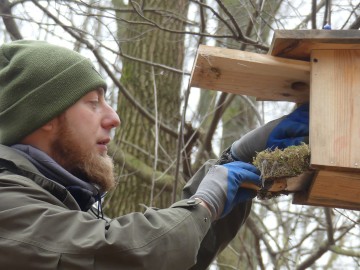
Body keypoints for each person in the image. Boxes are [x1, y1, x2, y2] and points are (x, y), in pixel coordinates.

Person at [0, 40, 309, 270]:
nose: (113, 118)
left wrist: (236, 158)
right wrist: (205, 203)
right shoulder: (8, 205)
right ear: (44, 118)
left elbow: (165, 261)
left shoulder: (59, 210)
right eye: (93, 102)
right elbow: (121, 252)